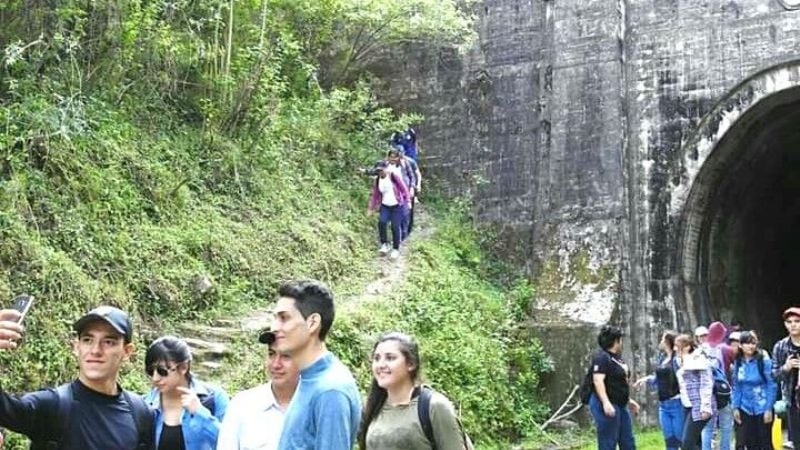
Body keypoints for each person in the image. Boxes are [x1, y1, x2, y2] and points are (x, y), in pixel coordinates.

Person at [0, 305, 155, 449]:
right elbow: (6, 410)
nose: (95, 350)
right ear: (76, 347)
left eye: (108, 342)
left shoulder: (141, 413)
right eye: (88, 340)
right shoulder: (52, 406)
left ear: (127, 352)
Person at [270, 279, 361, 450]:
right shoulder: (309, 378)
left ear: (312, 323)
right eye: (274, 318)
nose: (274, 327)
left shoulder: (330, 390)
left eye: (284, 318)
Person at [357, 332, 464, 450]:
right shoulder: (371, 408)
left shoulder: (433, 406)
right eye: (376, 358)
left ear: (411, 364)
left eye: (390, 358)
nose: (381, 365)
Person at [143, 335, 229, 450]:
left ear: (184, 367)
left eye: (162, 371)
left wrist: (200, 413)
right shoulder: (144, 405)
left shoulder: (214, 398)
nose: (155, 378)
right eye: (150, 371)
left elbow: (229, 442)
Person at [217, 334, 300, 450]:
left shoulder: (317, 405)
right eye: (271, 354)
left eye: (286, 356)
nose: (276, 364)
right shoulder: (242, 405)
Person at [587, 325, 639, 450]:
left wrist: (629, 400)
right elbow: (598, 380)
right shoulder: (602, 357)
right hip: (607, 403)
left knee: (627, 440)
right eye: (620, 339)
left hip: (620, 404)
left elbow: (617, 383)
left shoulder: (617, 359)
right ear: (616, 341)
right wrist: (606, 403)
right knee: (608, 441)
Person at [634, 331, 684, 450]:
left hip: (676, 403)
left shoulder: (677, 360)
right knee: (669, 441)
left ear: (668, 342)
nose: (661, 342)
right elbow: (658, 379)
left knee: (680, 440)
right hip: (663, 405)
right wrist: (645, 379)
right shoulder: (662, 359)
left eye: (663, 339)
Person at [731, 331, 775, 450]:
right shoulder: (738, 362)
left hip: (762, 405)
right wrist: (735, 407)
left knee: (765, 442)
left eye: (753, 343)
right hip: (745, 406)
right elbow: (736, 386)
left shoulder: (763, 360)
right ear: (740, 345)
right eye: (747, 343)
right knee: (750, 443)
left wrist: (768, 408)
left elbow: (771, 384)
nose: (751, 346)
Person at [676, 333, 716, 450]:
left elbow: (706, 383)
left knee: (687, 444)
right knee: (694, 443)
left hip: (699, 406)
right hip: (687, 405)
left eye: (677, 346)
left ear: (687, 347)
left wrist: (705, 406)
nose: (675, 348)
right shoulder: (681, 361)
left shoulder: (698, 359)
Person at [699, 321, 734, 450]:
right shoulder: (724, 349)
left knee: (707, 428)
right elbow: (729, 368)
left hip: (706, 393)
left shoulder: (700, 350)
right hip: (722, 392)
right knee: (726, 426)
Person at [368, 160, 410, 260]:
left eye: (381, 170)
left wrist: (408, 201)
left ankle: (396, 249)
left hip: (397, 206)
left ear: (386, 168)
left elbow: (404, 189)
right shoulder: (378, 180)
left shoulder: (393, 176)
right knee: (382, 222)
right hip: (385, 206)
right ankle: (384, 244)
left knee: (395, 226)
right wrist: (371, 208)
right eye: (378, 171)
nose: (380, 172)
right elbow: (375, 195)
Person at [772, 306, 800, 449]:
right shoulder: (780, 347)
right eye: (789, 322)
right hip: (792, 401)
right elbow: (774, 376)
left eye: (797, 321)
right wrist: (786, 367)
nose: (793, 325)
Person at [386, 147, 420, 239]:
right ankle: (399, 233)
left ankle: (406, 232)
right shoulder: (388, 164)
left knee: (407, 213)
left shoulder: (409, 162)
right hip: (395, 192)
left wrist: (414, 187)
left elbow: (414, 175)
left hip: (407, 190)